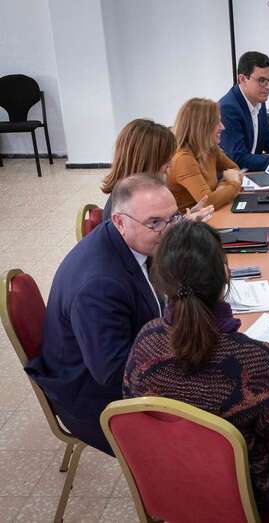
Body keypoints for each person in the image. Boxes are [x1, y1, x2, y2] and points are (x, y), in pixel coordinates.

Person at [124, 221, 269, 511]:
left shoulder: (146, 340)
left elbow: (134, 410)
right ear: (225, 278)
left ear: (161, 280)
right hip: (249, 495)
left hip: (166, 485)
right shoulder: (254, 361)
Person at [27, 176, 180, 454]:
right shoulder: (99, 285)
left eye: (174, 218)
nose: (169, 231)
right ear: (120, 221)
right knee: (219, 405)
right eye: (155, 222)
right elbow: (112, 372)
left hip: (111, 363)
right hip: (94, 401)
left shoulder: (127, 240)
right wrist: (184, 361)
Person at [101, 119, 214, 222]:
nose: (170, 165)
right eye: (166, 160)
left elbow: (162, 227)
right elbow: (154, 241)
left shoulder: (145, 193)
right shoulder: (123, 206)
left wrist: (185, 218)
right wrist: (184, 225)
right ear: (147, 161)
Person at [168, 98, 244, 212]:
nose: (223, 127)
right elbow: (207, 202)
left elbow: (234, 169)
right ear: (201, 127)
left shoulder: (209, 148)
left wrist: (221, 189)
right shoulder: (183, 159)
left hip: (212, 216)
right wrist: (234, 184)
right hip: (189, 226)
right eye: (217, 122)